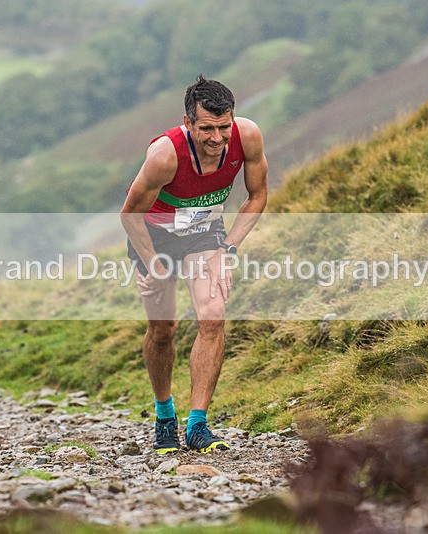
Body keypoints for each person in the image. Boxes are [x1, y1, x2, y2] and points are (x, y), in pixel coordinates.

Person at [120, 75, 268, 454]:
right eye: (206, 129)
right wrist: (153, 263)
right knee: (163, 328)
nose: (217, 138)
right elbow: (129, 214)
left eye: (223, 127)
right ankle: (165, 414)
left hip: (205, 233)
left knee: (213, 315)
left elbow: (258, 194)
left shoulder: (247, 136)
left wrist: (228, 248)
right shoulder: (165, 156)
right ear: (188, 123)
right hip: (154, 235)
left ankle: (198, 424)